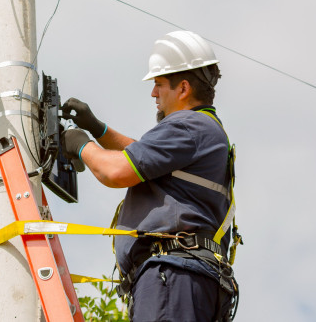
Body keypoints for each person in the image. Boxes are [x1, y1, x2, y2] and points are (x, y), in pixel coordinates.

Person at [61, 30, 239, 321]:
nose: (154, 93)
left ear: (182, 88)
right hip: (184, 278)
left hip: (173, 276)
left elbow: (116, 171)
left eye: (159, 85)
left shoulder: (188, 126)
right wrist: (98, 129)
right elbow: (145, 156)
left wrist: (82, 146)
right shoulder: (202, 131)